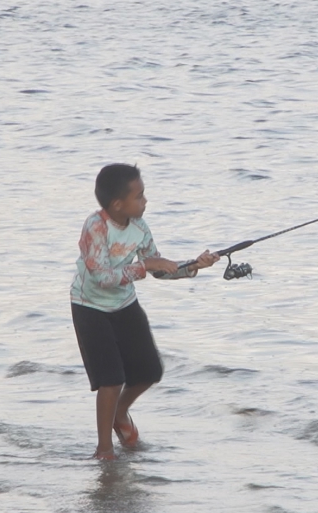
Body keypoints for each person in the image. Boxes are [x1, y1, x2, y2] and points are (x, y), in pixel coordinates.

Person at [70, 163, 220, 460]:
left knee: (149, 371)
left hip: (124, 305)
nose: (145, 201)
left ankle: (120, 413)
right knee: (111, 379)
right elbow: (102, 276)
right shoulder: (95, 227)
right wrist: (147, 266)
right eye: (139, 196)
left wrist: (192, 266)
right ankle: (104, 449)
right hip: (90, 308)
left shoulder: (139, 227)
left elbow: (159, 269)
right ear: (117, 204)